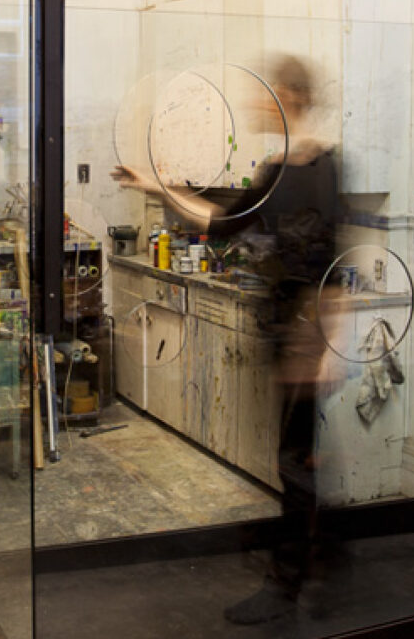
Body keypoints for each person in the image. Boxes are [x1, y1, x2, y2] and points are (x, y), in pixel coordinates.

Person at [111, 56, 344, 626]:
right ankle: (318, 564)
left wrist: (328, 342)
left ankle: (290, 583)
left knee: (296, 462)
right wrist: (158, 184)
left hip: (305, 335)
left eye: (266, 94)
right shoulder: (278, 169)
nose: (256, 103)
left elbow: (332, 260)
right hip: (290, 332)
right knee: (300, 458)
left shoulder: (319, 167)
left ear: (289, 98)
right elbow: (222, 221)